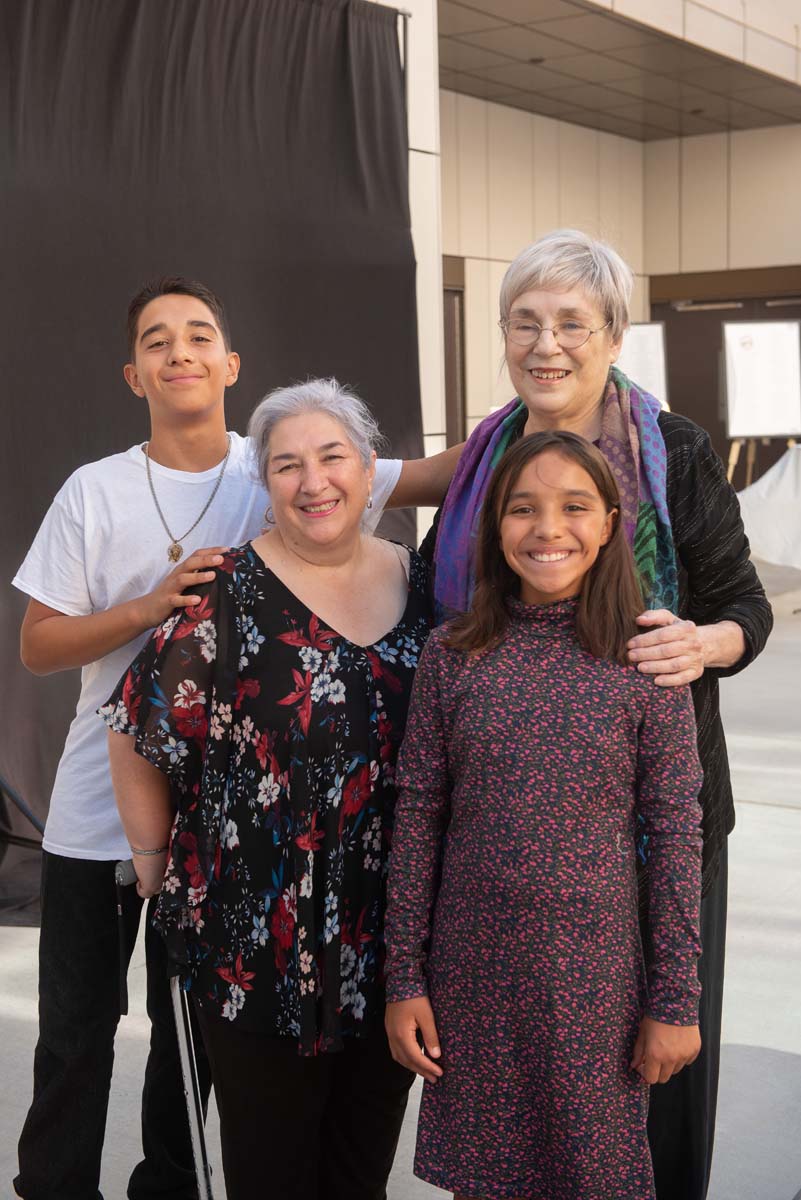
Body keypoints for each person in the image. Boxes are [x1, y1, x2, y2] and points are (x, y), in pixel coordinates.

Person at [12, 277, 457, 1200]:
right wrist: (150, 605)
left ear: (230, 364)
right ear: (133, 374)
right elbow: (37, 646)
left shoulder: (278, 460)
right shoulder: (96, 490)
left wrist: (568, 407)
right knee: (76, 1030)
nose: (180, 351)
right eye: (157, 341)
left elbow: (440, 471)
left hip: (217, 829)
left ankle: (169, 1186)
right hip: (106, 810)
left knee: (190, 1042)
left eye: (198, 335)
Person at [421, 230, 773, 1200]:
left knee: (659, 1065)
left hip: (660, 820)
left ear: (614, 336)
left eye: (573, 323)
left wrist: (703, 644)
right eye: (525, 322)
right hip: (511, 839)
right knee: (529, 1085)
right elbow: (428, 608)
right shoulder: (487, 460)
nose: (547, 345)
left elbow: (746, 607)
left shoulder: (673, 451)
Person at [101, 378, 431, 1200]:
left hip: (387, 931)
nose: (313, 481)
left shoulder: (426, 584)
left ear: (368, 469)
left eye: (332, 457)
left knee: (359, 1168)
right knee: (271, 1171)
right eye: (286, 465)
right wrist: (151, 863)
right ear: (265, 481)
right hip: (251, 931)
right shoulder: (225, 592)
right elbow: (135, 726)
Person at [385, 431, 704, 1200]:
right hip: (472, 979)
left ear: (609, 524)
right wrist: (403, 978)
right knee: (486, 1181)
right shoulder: (452, 655)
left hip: (595, 984)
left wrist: (675, 1000)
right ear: (495, 525)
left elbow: (674, 836)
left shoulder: (645, 659)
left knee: (594, 1178)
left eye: (573, 507)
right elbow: (418, 819)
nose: (547, 528)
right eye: (523, 508)